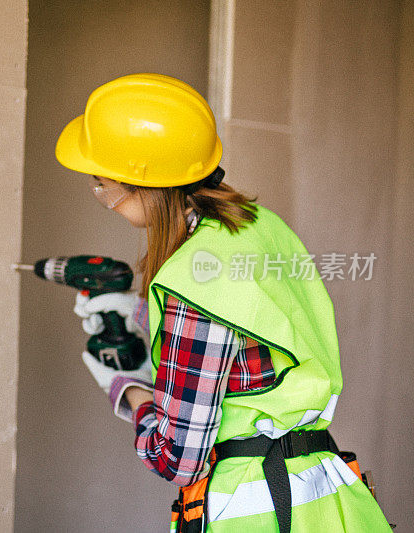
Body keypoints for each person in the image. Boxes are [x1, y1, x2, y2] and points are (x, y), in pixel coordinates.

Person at [55, 73, 391, 532]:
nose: (103, 198)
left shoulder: (189, 287)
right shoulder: (257, 225)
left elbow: (178, 459)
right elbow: (261, 326)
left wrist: (127, 389)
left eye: (101, 184)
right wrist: (141, 312)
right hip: (325, 493)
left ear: (142, 181)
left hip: (255, 512)